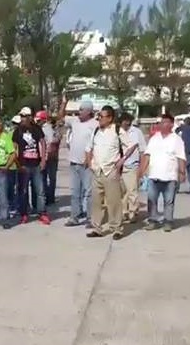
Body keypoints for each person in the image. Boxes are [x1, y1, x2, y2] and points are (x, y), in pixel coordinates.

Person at [85, 105, 131, 240]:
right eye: (98, 116)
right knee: (96, 202)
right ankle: (96, 228)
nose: (99, 118)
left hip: (111, 171)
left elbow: (131, 145)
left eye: (101, 116)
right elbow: (89, 148)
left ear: (110, 118)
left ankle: (117, 228)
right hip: (97, 170)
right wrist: (89, 163)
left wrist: (122, 160)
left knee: (114, 202)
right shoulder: (96, 131)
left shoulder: (117, 130)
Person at [141, 113, 187, 232]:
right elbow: (147, 155)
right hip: (154, 176)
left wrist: (182, 173)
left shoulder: (176, 139)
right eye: (161, 122)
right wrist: (141, 171)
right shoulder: (154, 138)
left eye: (166, 122)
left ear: (171, 124)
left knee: (169, 201)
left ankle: (168, 222)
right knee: (152, 200)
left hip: (170, 177)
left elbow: (181, 157)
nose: (163, 124)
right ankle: (152, 220)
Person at [58, 98, 99, 227]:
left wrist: (90, 159)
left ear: (89, 112)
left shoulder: (95, 124)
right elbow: (60, 117)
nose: (79, 112)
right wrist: (64, 103)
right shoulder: (74, 121)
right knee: (75, 192)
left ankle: (91, 218)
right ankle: (74, 217)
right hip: (74, 162)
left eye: (81, 110)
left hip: (86, 164)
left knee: (89, 192)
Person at [13, 107, 51, 225]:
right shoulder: (17, 131)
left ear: (30, 117)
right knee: (23, 191)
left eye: (25, 116)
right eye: (22, 116)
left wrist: (43, 160)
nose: (23, 118)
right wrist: (17, 164)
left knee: (40, 190)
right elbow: (14, 147)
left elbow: (42, 143)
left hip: (36, 164)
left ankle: (42, 213)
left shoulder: (36, 129)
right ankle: (24, 213)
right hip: (23, 165)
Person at [118, 113, 145, 223]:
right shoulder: (117, 132)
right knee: (122, 192)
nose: (126, 123)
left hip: (132, 165)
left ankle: (133, 212)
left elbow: (143, 150)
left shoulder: (136, 132)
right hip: (118, 166)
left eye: (128, 120)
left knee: (132, 190)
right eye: (124, 121)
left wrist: (142, 168)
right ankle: (123, 211)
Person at [37, 110, 60, 204]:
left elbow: (50, 141)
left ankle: (49, 197)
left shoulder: (47, 128)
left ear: (44, 119)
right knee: (44, 177)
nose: (37, 122)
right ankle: (48, 196)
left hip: (49, 157)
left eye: (39, 120)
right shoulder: (42, 127)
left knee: (49, 177)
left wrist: (46, 155)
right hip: (46, 156)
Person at [175, 116, 190, 194]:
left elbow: (175, 132)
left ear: (185, 122)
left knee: (180, 170)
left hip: (182, 152)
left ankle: (176, 188)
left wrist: (180, 125)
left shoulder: (182, 129)